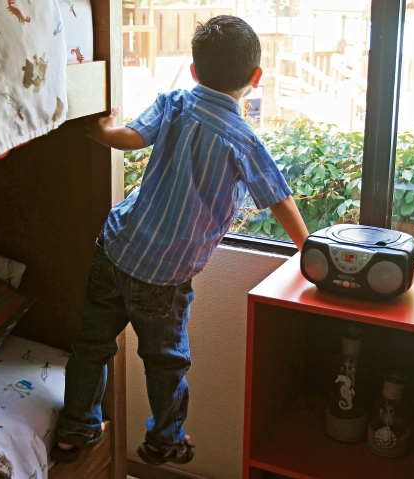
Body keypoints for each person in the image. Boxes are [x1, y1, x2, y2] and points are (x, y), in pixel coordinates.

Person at [52, 14, 309, 466]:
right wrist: (309, 251)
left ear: (194, 71)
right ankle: (164, 438)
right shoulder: (243, 139)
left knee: (91, 346)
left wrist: (104, 130)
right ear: (256, 77)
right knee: (165, 361)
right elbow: (278, 199)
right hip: (164, 277)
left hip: (116, 249)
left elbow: (132, 137)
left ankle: (76, 429)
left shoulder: (174, 102)